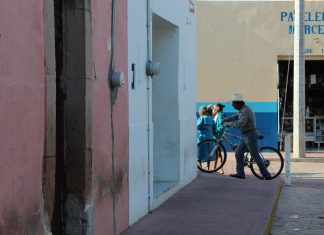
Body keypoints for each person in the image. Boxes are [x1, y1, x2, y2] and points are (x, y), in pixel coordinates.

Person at [222, 94, 272, 180]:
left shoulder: (245, 111)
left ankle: (266, 175)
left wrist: (228, 124)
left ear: (237, 104)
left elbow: (241, 123)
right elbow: (235, 116)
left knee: (255, 156)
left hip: (250, 135)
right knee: (238, 153)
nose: (233, 106)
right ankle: (240, 173)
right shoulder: (243, 109)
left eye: (233, 104)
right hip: (245, 135)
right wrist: (226, 119)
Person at [212, 103, 226, 174]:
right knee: (218, 153)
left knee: (217, 153)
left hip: (217, 136)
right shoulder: (218, 115)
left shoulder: (220, 115)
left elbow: (222, 126)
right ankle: (218, 168)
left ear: (217, 108)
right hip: (217, 136)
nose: (212, 110)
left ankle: (217, 169)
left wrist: (216, 131)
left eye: (214, 108)